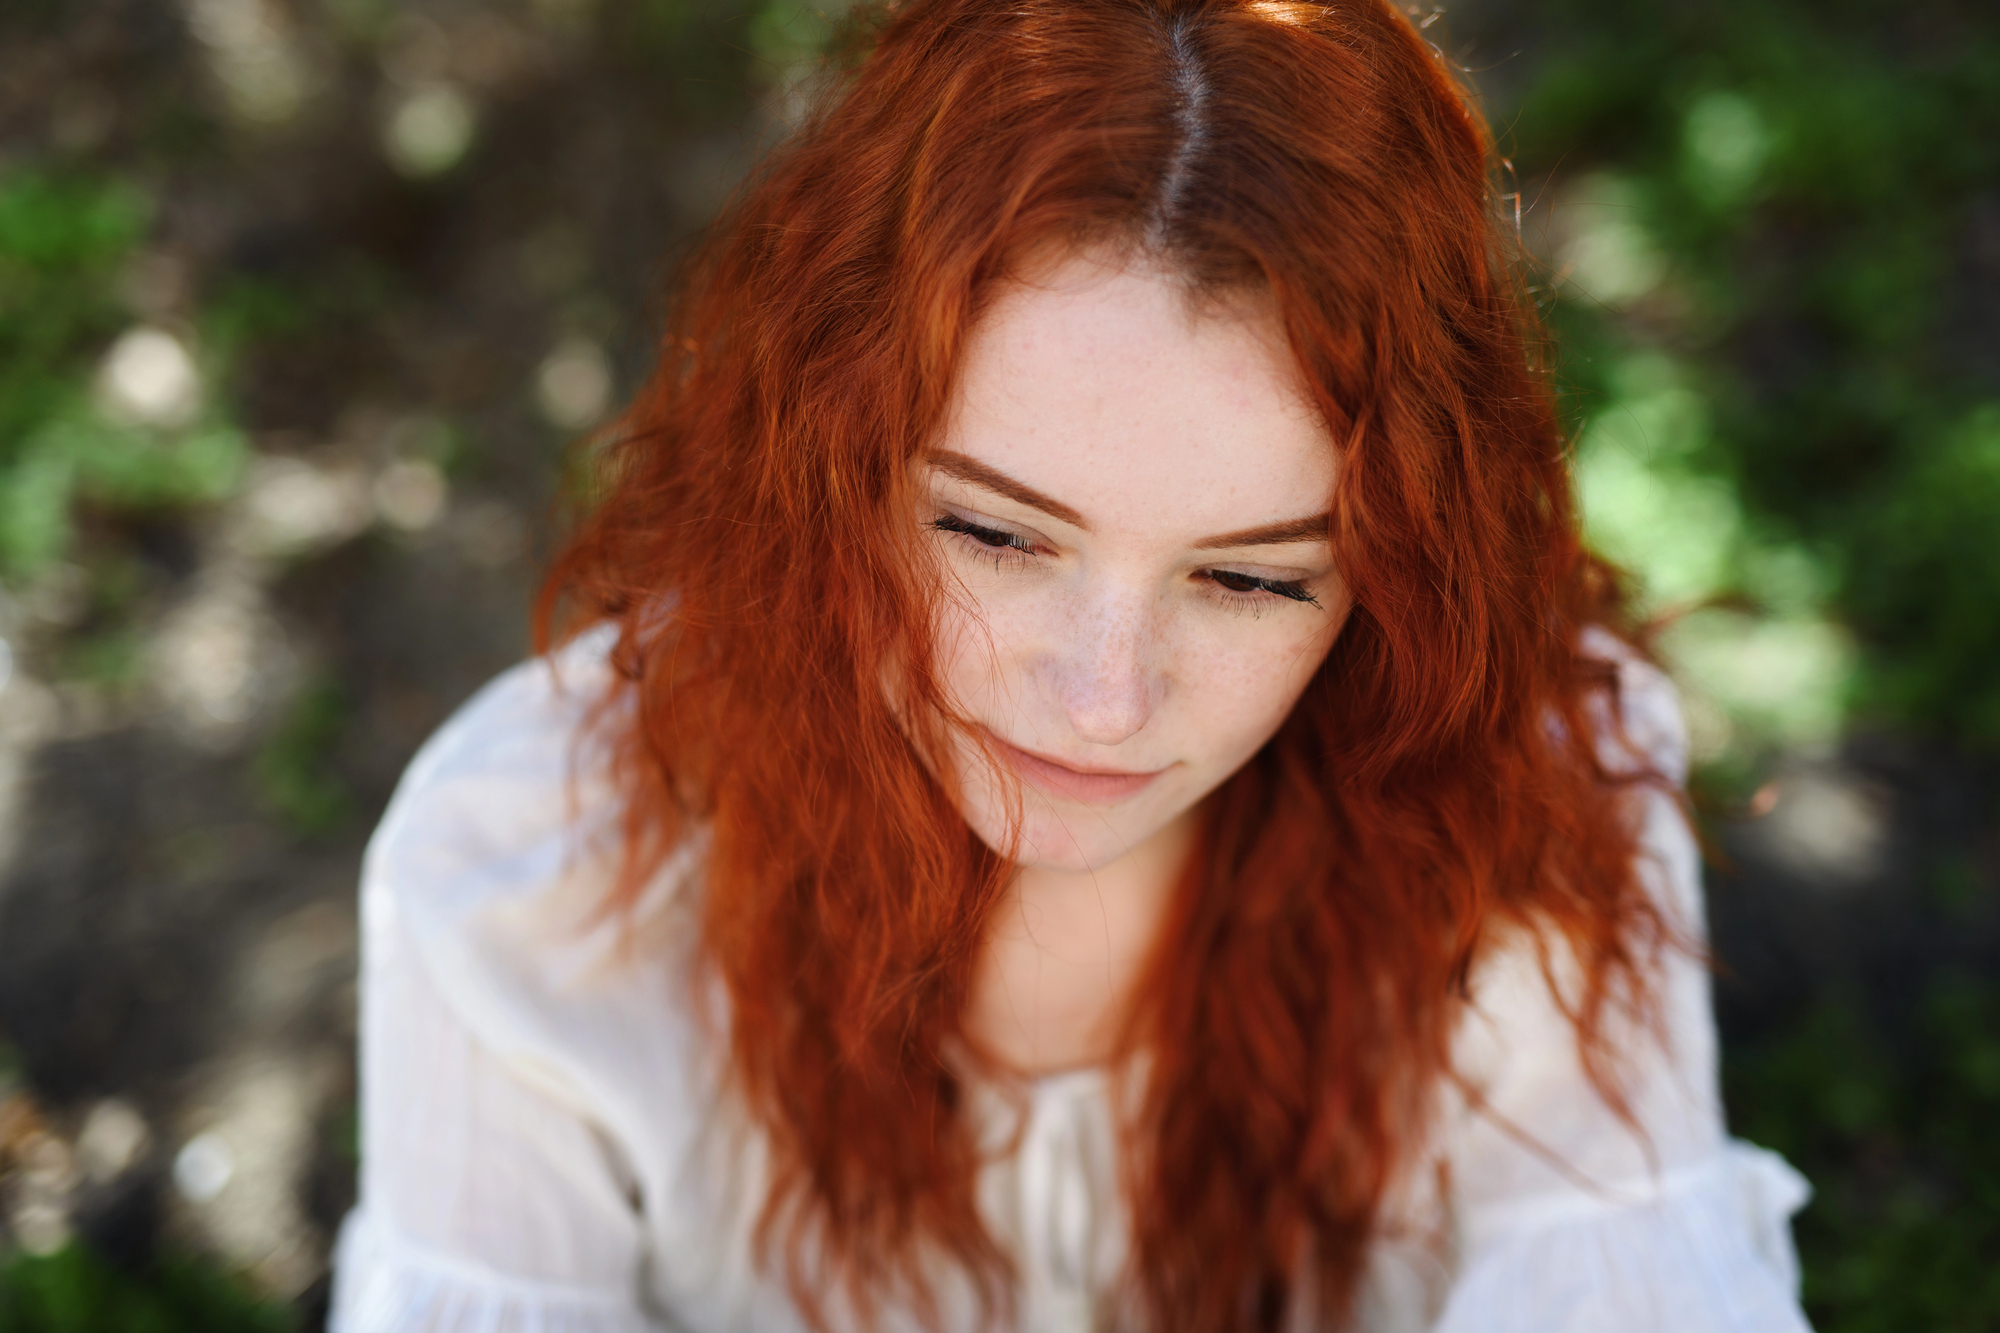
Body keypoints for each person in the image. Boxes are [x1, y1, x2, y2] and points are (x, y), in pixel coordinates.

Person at [328, 1, 1816, 1329]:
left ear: (1394, 573)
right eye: (993, 532)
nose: (1105, 696)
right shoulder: (525, 863)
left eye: (1248, 576)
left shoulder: (1515, 780)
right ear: (826, 463)